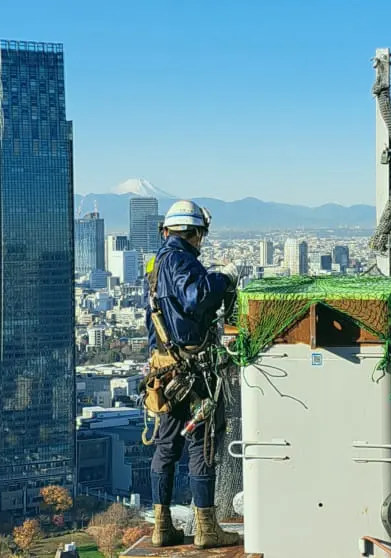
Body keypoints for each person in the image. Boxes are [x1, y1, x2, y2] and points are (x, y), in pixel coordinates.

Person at [143, 200, 240, 549]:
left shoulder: (155, 264)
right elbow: (196, 297)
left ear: (167, 230)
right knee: (202, 446)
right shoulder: (181, 260)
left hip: (164, 370)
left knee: (166, 447)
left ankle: (161, 527)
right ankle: (207, 529)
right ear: (195, 233)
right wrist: (222, 278)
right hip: (192, 371)